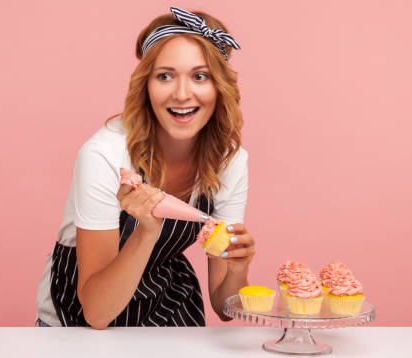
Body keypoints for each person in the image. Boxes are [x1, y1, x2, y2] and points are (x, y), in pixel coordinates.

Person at [36, 7, 255, 328]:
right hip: (80, 317)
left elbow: (225, 308)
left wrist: (238, 268)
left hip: (167, 310)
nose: (182, 94)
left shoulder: (230, 162)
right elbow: (97, 313)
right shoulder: (105, 154)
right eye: (165, 76)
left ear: (219, 87)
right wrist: (147, 230)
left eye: (200, 76)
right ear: (146, 86)